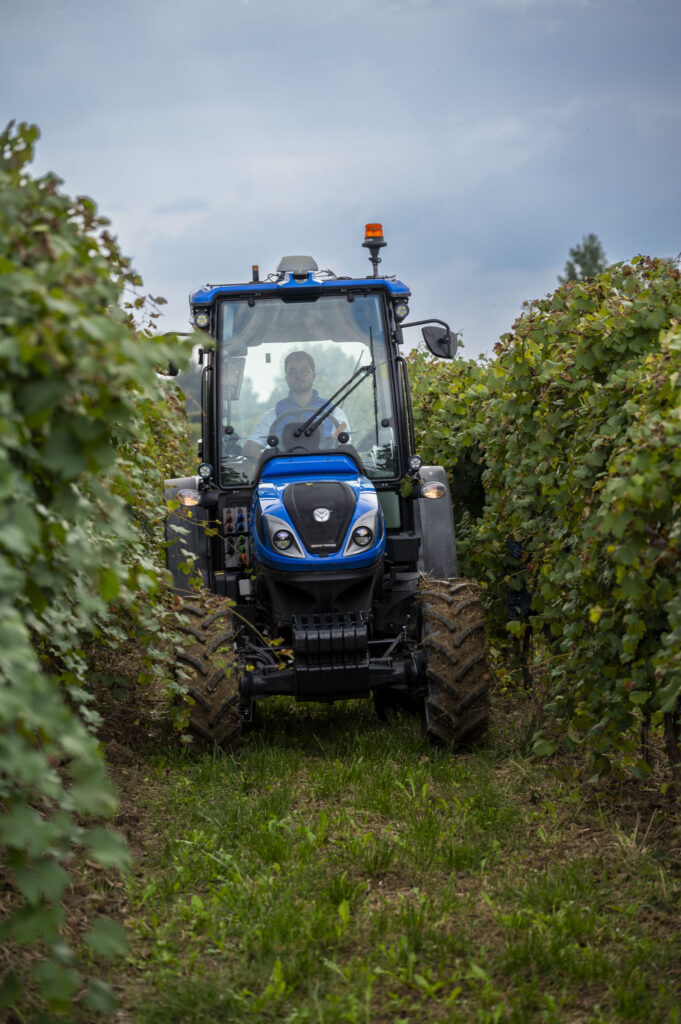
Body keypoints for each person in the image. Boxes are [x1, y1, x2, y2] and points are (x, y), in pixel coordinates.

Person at [243, 351, 349, 459]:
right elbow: (250, 447)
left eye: (304, 370)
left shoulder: (334, 414)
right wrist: (271, 464)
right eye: (292, 371)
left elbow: (344, 445)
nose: (298, 375)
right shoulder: (272, 416)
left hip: (326, 471)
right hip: (283, 473)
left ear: (313, 376)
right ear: (287, 378)